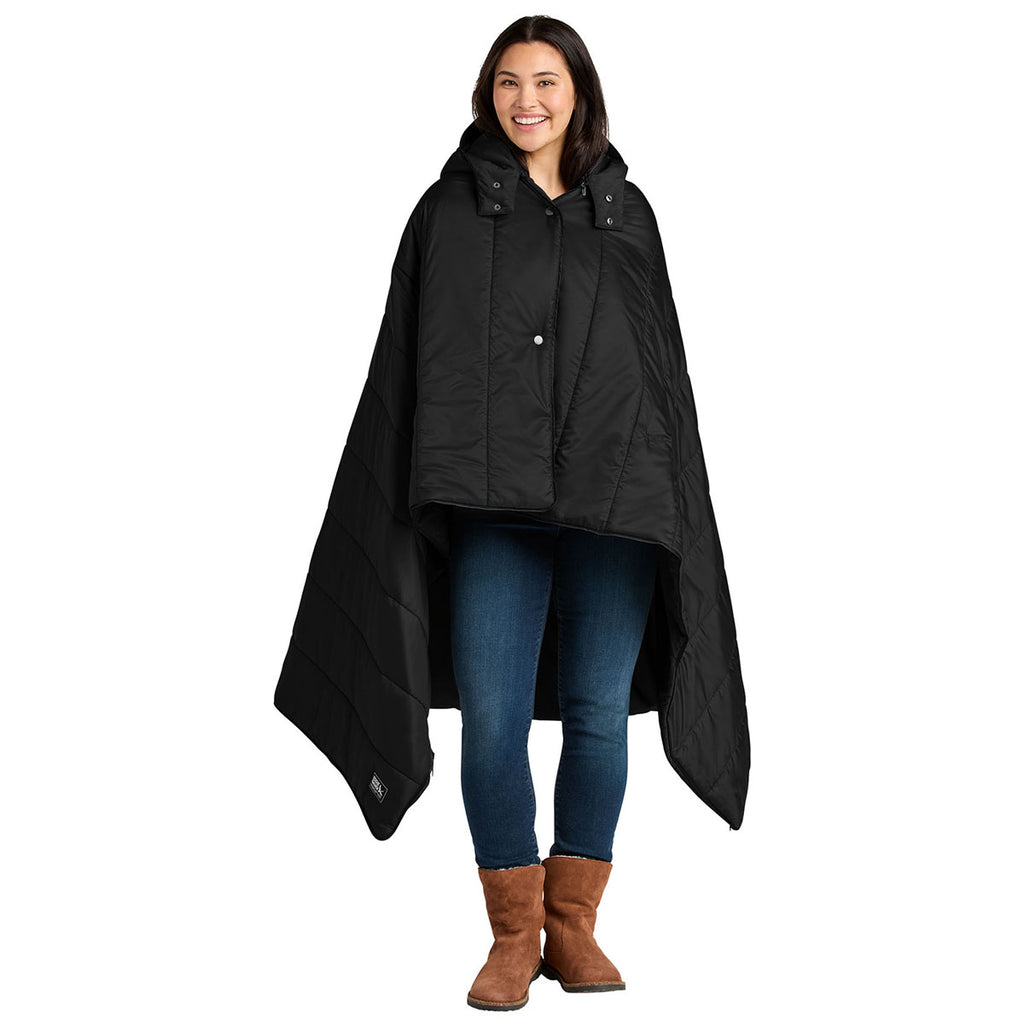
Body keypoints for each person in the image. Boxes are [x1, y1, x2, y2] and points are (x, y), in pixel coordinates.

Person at [274, 13, 750, 1014]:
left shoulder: (628, 215)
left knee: (598, 718)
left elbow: (661, 379)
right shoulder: (445, 213)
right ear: (487, 95)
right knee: (492, 721)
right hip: (492, 506)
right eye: (507, 83)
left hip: (614, 507)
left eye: (545, 81)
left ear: (579, 93)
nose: (526, 101)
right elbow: (412, 366)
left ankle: (573, 927)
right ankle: (510, 934)